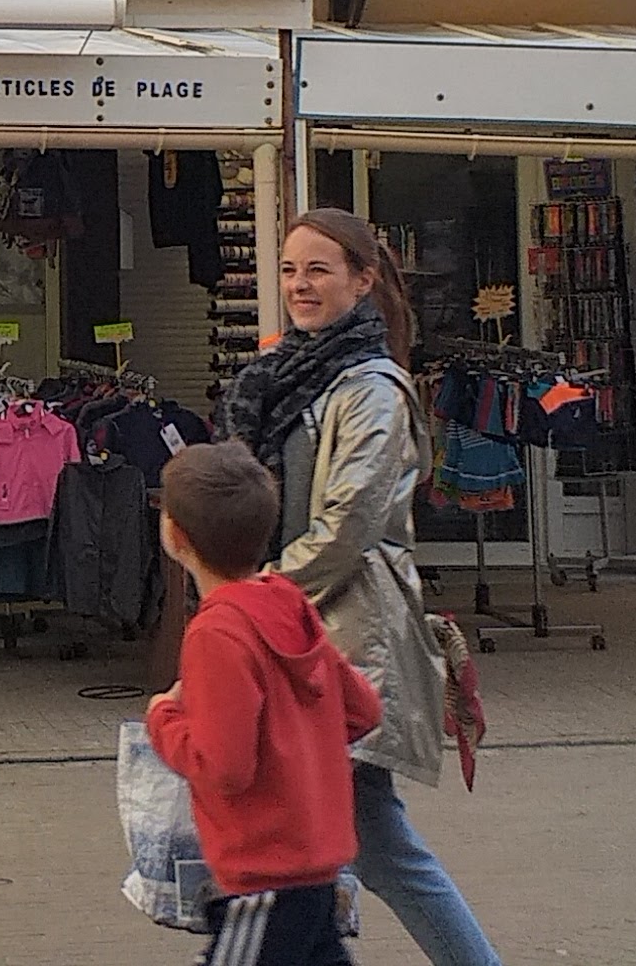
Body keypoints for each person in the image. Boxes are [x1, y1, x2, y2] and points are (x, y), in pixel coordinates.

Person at [217, 209, 499, 966]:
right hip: (301, 636)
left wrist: (256, 596)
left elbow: (347, 527)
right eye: (288, 270)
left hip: (344, 642)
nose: (299, 285)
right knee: (359, 847)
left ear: (364, 280)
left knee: (347, 848)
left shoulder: (371, 388)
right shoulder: (285, 375)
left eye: (319, 270)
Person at [144, 443, 379, 966]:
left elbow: (224, 767)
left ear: (175, 537)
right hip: (317, 863)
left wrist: (164, 718)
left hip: (263, 871)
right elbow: (362, 709)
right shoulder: (288, 602)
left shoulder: (216, 632)